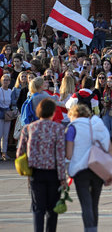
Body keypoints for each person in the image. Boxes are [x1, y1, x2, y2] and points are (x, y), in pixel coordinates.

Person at [16, 98, 66, 232]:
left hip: (35, 172)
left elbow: (19, 152)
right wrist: (63, 178)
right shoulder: (59, 129)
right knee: (52, 209)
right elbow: (60, 155)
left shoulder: (28, 128)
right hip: (53, 173)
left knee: (38, 209)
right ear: (53, 112)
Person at [66, 103, 112, 232]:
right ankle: (94, 228)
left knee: (86, 204)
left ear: (73, 115)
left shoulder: (72, 128)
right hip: (98, 168)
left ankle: (89, 229)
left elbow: (69, 155)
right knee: (94, 203)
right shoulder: (99, 126)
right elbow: (109, 149)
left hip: (80, 170)